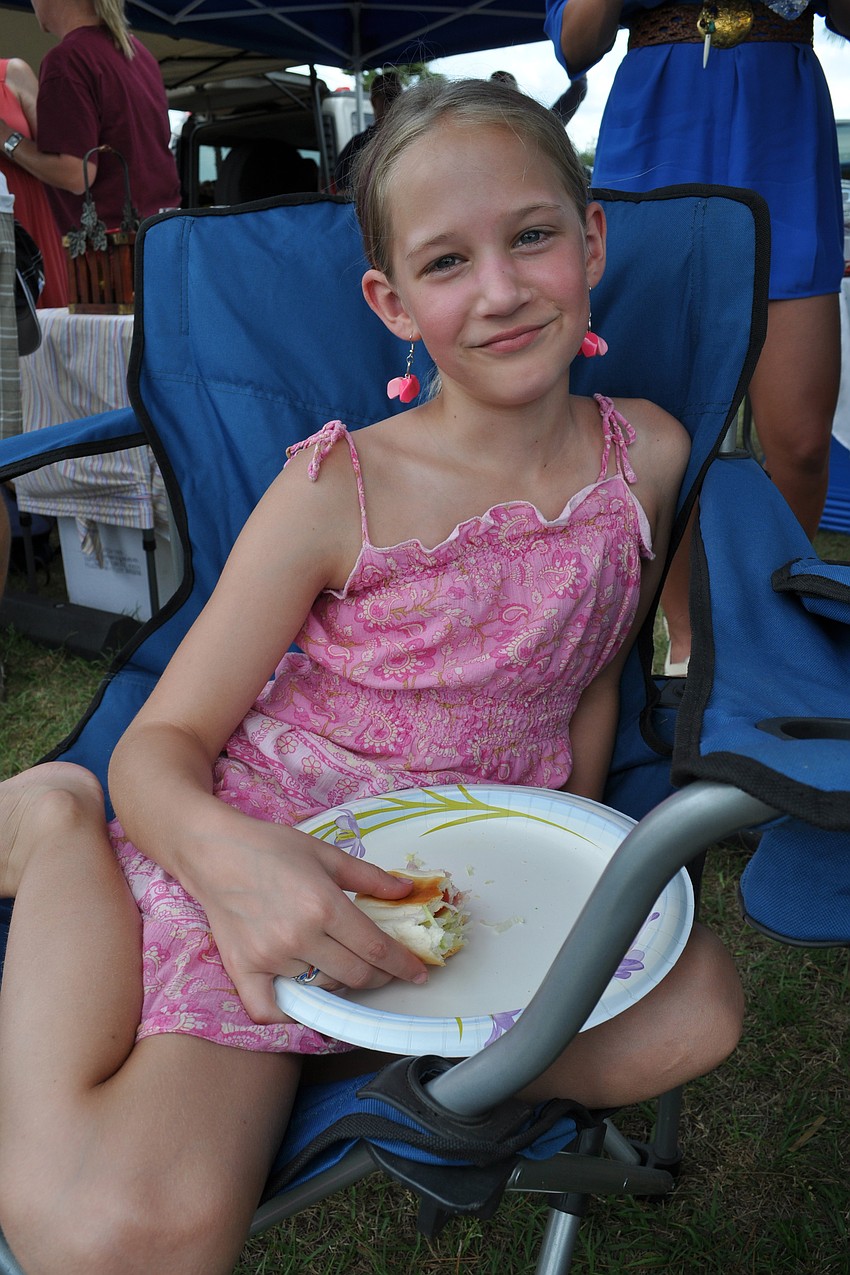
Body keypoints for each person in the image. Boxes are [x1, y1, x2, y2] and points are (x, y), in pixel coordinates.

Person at [0, 78, 744, 1274]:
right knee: (118, 1237)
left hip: (485, 858)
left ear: (591, 239)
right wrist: (229, 862)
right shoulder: (334, 488)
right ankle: (51, 830)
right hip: (292, 836)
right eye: (446, 263)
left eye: (533, 236)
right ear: (391, 303)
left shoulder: (647, 455)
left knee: (695, 1013)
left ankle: (358, 1030)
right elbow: (162, 744)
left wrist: (585, 852)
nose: (499, 291)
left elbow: (599, 673)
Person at [546, 0, 849, 673]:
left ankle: (774, 625)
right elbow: (575, 40)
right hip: (662, 120)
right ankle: (686, 645)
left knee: (801, 444)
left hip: (783, 125)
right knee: (665, 436)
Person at [0, 0, 180, 237]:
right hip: (162, 233)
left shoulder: (68, 59)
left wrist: (7, 138)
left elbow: (75, 174)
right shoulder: (137, 52)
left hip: (111, 251)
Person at [0, 57, 67, 307]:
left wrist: (6, 139)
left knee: (42, 332)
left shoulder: (13, 73)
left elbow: (62, 162)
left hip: (28, 224)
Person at [332, 70, 404, 196]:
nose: (393, 103)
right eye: (388, 96)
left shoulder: (408, 139)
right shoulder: (358, 145)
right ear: (374, 101)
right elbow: (343, 194)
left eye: (398, 96)